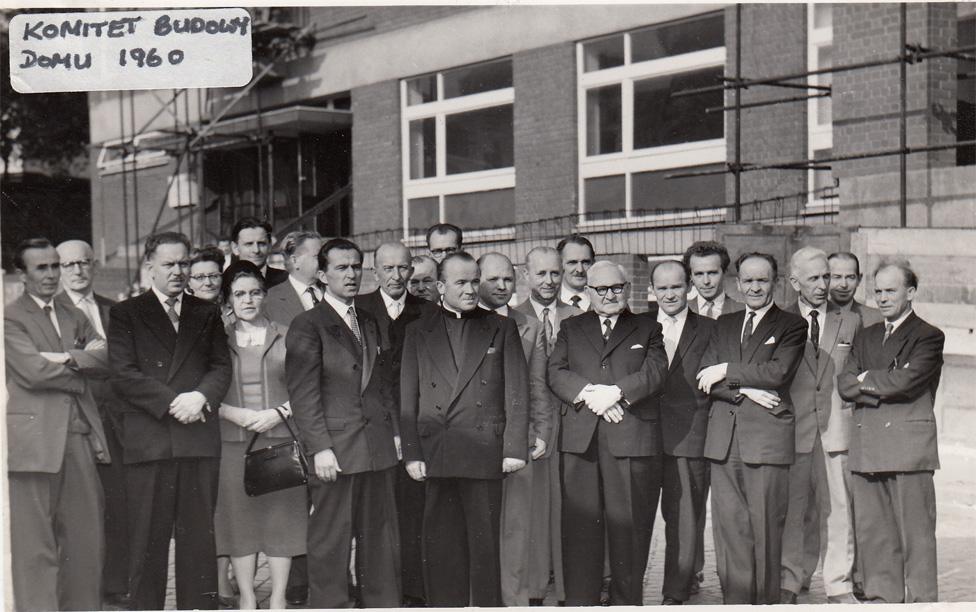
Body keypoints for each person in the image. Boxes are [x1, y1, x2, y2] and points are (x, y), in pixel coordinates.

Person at [107, 232, 232, 610]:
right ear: (150, 268)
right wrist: (175, 401)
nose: (179, 271)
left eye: (183, 264)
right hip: (151, 441)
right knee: (147, 541)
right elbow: (123, 374)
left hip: (197, 439)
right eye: (169, 264)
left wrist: (202, 396)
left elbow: (220, 366)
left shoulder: (205, 311)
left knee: (198, 538)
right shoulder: (126, 312)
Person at [400, 251, 529, 606]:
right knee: (441, 547)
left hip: (483, 451)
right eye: (461, 282)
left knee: (485, 547)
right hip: (436, 452)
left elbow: (517, 389)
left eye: (476, 281)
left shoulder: (501, 327)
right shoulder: (417, 331)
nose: (471, 290)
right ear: (441, 287)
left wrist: (514, 448)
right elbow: (408, 397)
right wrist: (411, 452)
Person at [285, 238, 401, 608]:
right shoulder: (307, 325)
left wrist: (395, 433)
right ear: (321, 275)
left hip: (377, 446)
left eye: (356, 266)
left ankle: (381, 604)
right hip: (335, 450)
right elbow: (304, 395)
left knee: (380, 538)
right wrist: (319, 448)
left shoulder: (368, 320)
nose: (351, 274)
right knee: (331, 540)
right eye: (341, 267)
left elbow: (382, 385)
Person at [548, 260, 668, 605]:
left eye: (617, 288)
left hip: (629, 443)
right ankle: (581, 603)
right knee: (580, 532)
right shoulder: (571, 328)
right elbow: (555, 371)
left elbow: (656, 371)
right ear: (588, 292)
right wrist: (590, 394)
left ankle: (626, 603)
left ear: (627, 289)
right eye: (601, 289)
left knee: (628, 534)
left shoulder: (647, 328)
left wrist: (615, 393)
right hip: (581, 445)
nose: (610, 295)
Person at [6, 238, 112, 611]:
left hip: (79, 436)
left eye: (55, 266)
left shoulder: (73, 315)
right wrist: (79, 370)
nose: (52, 275)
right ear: (23, 274)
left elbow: (105, 357)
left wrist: (64, 357)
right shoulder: (10, 317)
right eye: (42, 268)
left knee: (87, 539)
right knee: (35, 546)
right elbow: (33, 373)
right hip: (32, 444)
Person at [696, 252, 807, 604]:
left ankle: (766, 602)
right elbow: (703, 377)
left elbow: (778, 373)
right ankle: (737, 602)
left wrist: (727, 368)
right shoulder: (723, 325)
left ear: (775, 282)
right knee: (730, 530)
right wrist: (745, 389)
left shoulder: (792, 325)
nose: (754, 287)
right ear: (737, 282)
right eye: (748, 280)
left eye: (762, 280)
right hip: (724, 442)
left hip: (766, 439)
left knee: (766, 527)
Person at [837, 261, 944, 603]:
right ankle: (884, 600)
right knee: (875, 533)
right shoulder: (865, 335)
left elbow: (908, 382)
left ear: (910, 293)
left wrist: (866, 379)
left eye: (891, 290)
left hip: (908, 448)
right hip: (868, 443)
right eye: (878, 291)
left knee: (916, 535)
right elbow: (844, 384)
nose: (882, 298)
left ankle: (922, 602)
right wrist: (876, 381)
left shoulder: (928, 335)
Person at [214, 262, 308, 610]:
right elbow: (206, 385)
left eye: (255, 292)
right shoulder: (217, 339)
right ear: (228, 299)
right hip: (232, 441)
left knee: (281, 520)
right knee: (238, 522)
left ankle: (279, 599)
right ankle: (249, 599)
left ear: (265, 295)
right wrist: (230, 411)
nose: (248, 299)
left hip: (279, 439)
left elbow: (305, 385)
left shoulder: (288, 334)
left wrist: (278, 413)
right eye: (239, 294)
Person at [778, 247, 861, 604]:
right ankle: (791, 580)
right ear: (795, 282)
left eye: (826, 276)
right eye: (814, 278)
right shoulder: (780, 321)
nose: (824, 285)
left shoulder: (852, 321)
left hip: (836, 431)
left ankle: (839, 584)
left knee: (839, 509)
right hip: (793, 430)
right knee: (795, 510)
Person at [355, 242, 435, 605]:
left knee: (413, 508)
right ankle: (375, 593)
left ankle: (414, 592)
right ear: (375, 272)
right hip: (372, 427)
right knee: (375, 516)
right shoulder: (358, 310)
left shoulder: (427, 311)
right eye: (388, 268)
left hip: (416, 426)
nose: (396, 276)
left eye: (403, 268)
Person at [53, 239, 129, 607]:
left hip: (116, 422)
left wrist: (77, 357)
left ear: (94, 265)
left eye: (84, 263)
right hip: (75, 421)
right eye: (69, 265)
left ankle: (113, 584)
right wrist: (90, 358)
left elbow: (123, 362)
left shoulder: (116, 311)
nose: (78, 270)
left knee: (117, 503)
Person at [477, 252, 554, 607]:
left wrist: (540, 430)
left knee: (517, 526)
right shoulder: (464, 320)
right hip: (472, 439)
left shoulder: (529, 325)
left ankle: (516, 599)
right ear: (478, 280)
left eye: (508, 279)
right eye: (493, 279)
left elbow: (537, 384)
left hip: (518, 437)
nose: (502, 286)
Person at [259, 229, 322, 605]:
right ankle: (298, 585)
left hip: (330, 417)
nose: (322, 261)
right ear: (293, 260)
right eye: (316, 255)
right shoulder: (271, 300)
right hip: (290, 419)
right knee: (295, 505)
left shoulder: (332, 295)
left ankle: (329, 578)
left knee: (326, 504)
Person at [649, 259, 717, 605]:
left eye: (676, 286)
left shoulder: (709, 328)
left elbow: (722, 375)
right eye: (662, 288)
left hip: (690, 435)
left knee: (683, 519)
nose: (670, 294)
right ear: (652, 291)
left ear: (688, 287)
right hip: (643, 436)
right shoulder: (640, 326)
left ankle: (675, 590)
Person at [513, 245, 575, 604]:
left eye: (555, 273)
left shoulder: (578, 315)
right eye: (542, 274)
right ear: (526, 274)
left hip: (571, 426)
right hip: (533, 429)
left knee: (570, 508)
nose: (550, 281)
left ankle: (568, 587)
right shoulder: (511, 317)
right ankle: (536, 587)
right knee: (535, 511)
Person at [684, 240, 744, 320]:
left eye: (712, 273)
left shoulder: (743, 310)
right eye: (699, 274)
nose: (706, 281)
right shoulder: (682, 310)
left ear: (725, 272)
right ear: (691, 276)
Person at [828, 252, 883, 328]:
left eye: (850, 277)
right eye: (837, 277)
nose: (844, 285)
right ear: (826, 278)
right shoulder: (815, 315)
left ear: (859, 279)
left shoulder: (877, 319)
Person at [231, 216, 288, 287]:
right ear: (235, 248)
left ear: (269, 246)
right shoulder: (224, 283)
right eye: (249, 244)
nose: (256, 250)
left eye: (261, 244)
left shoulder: (286, 280)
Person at [557, 234, 595, 312]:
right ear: (559, 265)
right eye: (572, 262)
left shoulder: (609, 301)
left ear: (593, 264)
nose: (580, 270)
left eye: (585, 262)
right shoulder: (547, 303)